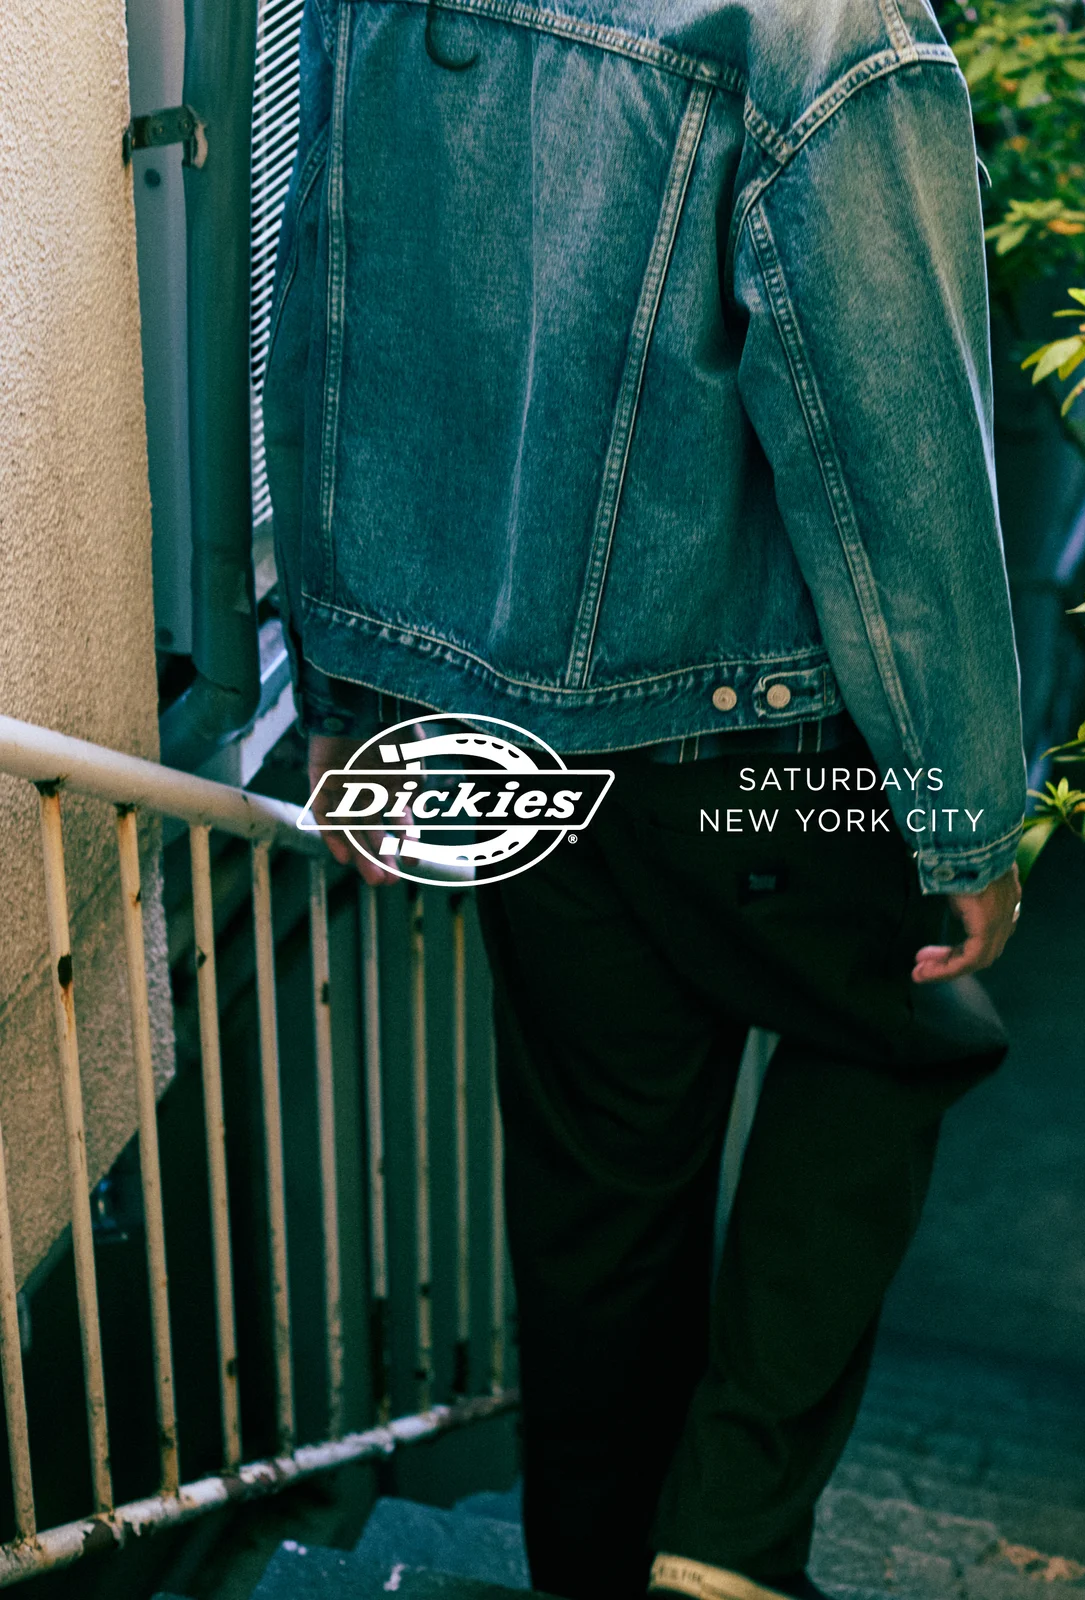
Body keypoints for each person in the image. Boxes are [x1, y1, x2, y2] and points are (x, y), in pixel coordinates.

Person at [263, 0, 1026, 1595]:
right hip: (755, 743)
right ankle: (727, 1545)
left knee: (601, 1187)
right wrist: (962, 810)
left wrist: (348, 690)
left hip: (504, 740)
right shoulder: (827, 26)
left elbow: (329, 320)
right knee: (911, 1017)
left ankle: (599, 1570)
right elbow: (890, 453)